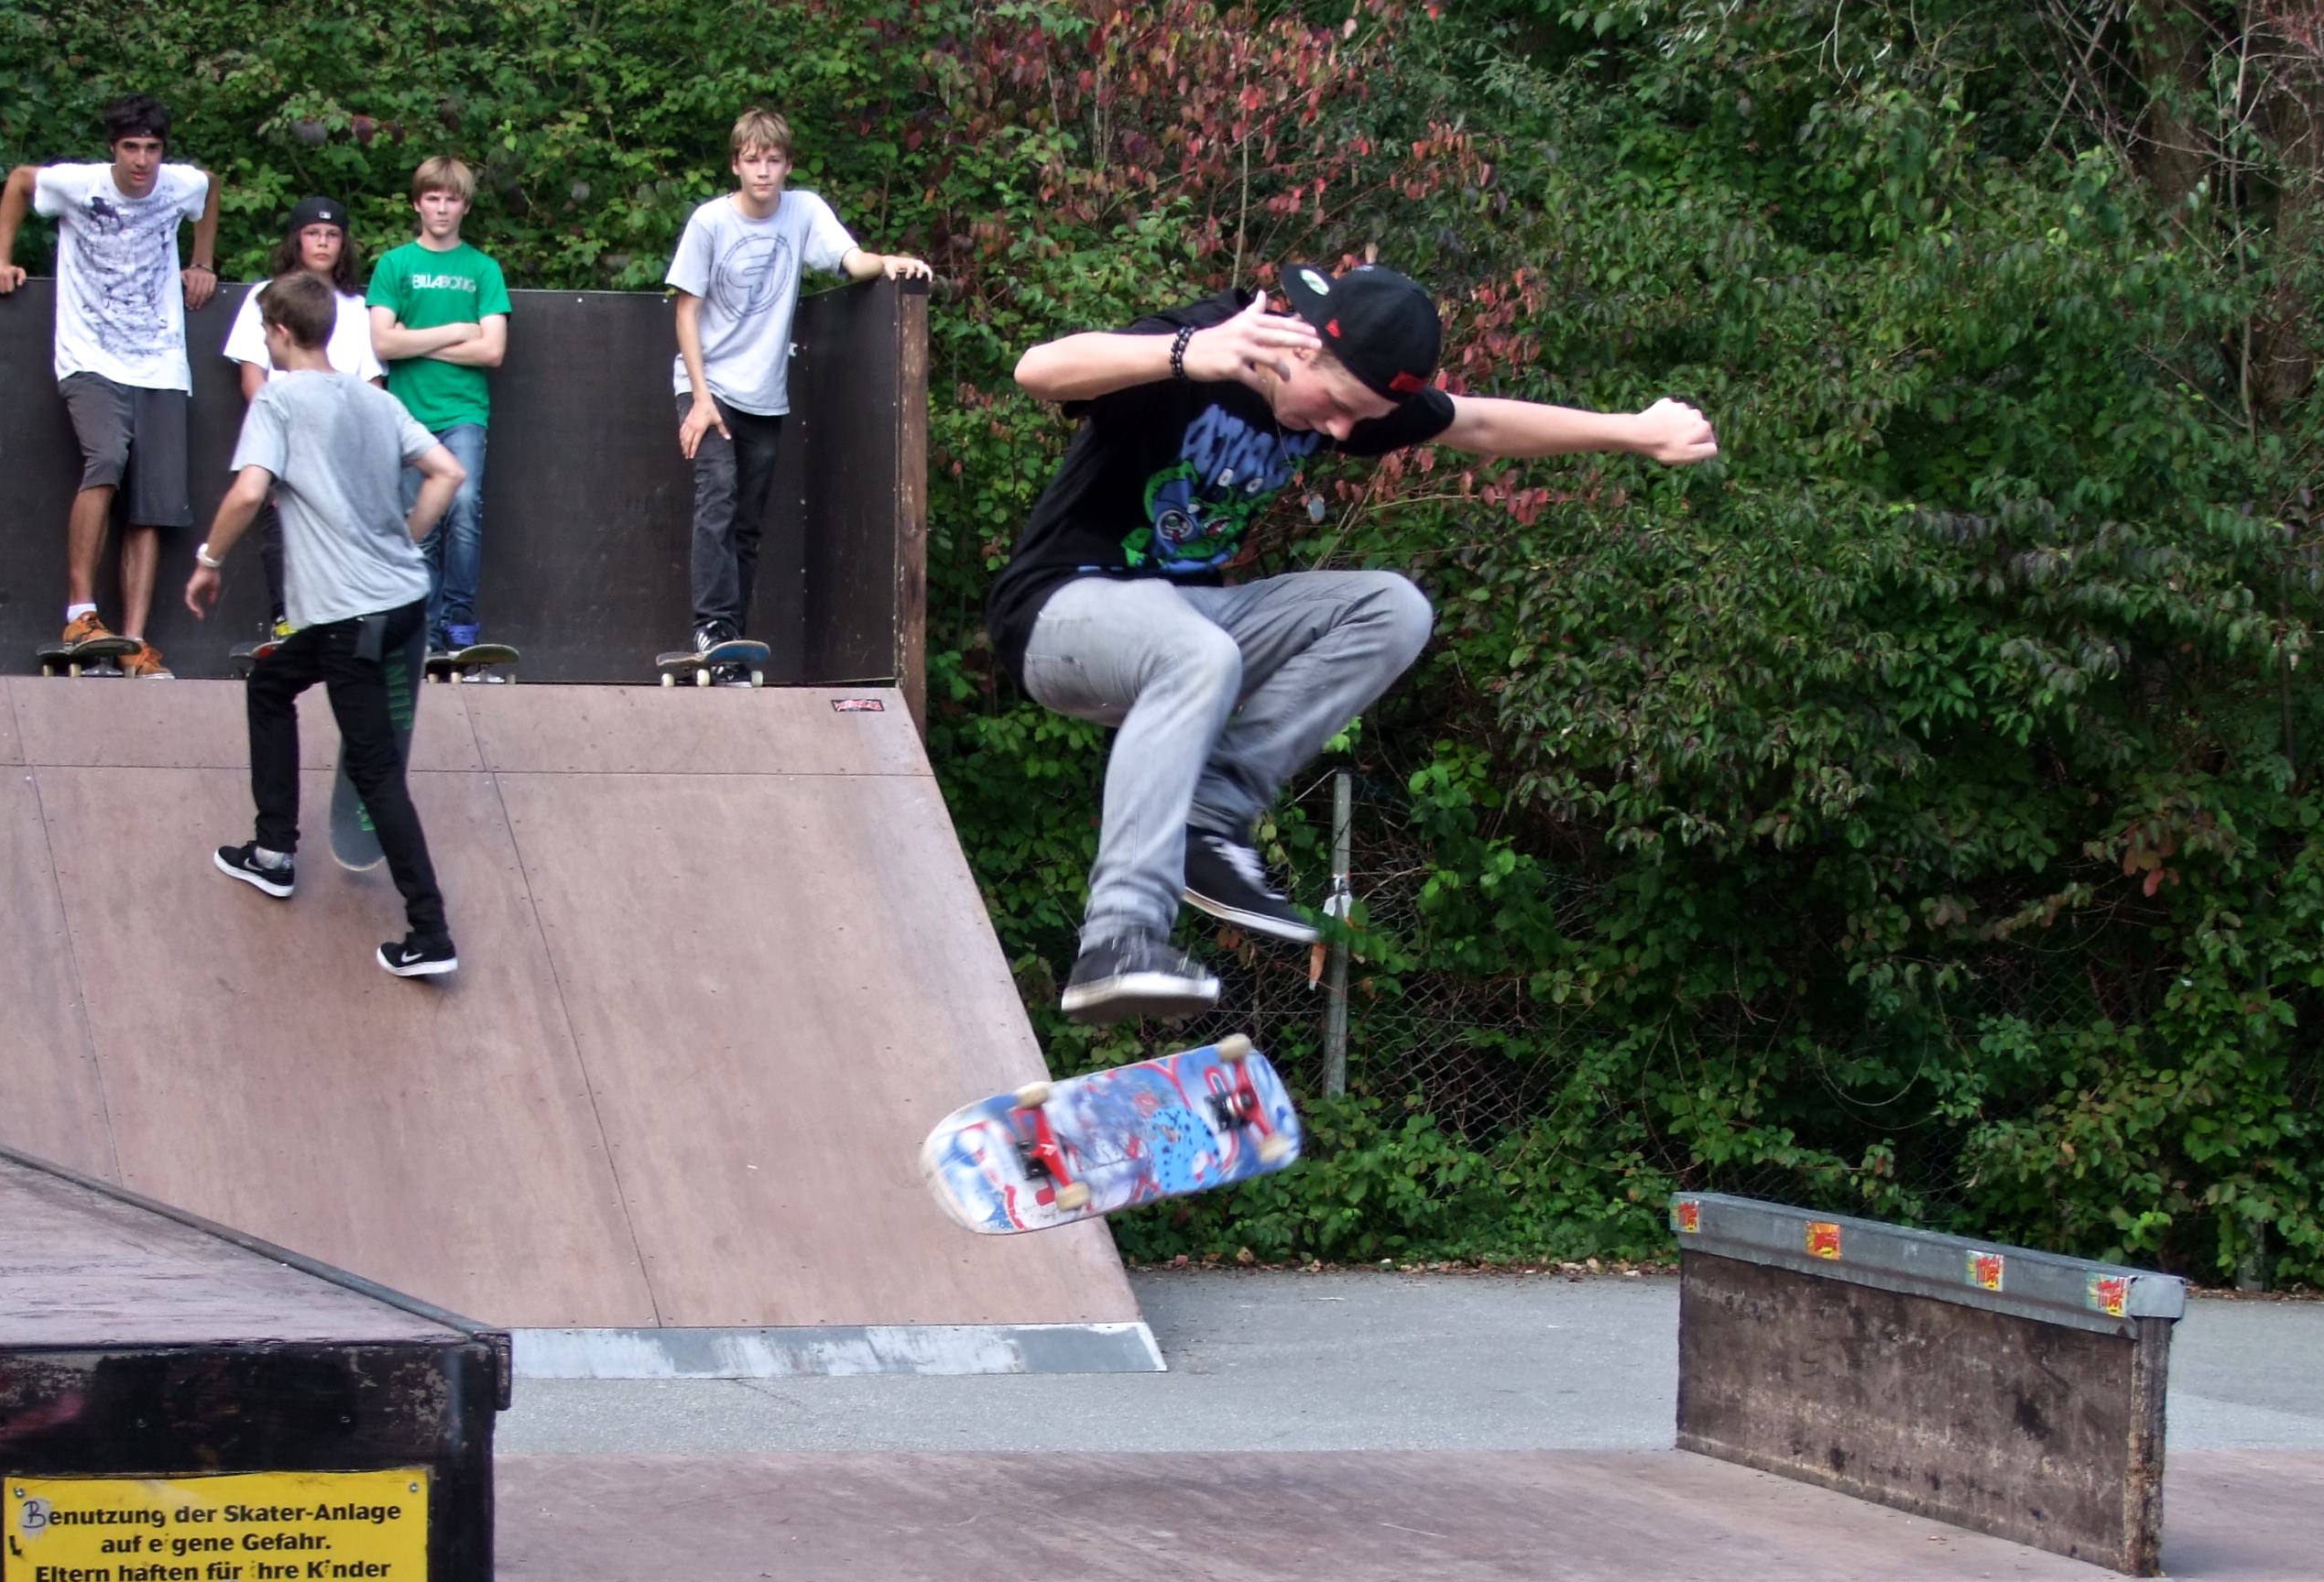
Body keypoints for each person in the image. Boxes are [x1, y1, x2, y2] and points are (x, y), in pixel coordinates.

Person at [987, 263, 1718, 1022]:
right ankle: (1118, 937)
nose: (1340, 432)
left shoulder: (1351, 399)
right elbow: (1037, 370)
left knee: (1393, 609)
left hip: (1184, 619)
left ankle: (1209, 815)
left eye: (1357, 420)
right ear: (1301, 348)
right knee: (1199, 651)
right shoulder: (1215, 340)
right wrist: (1183, 353)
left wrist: (1633, 431)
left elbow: (1475, 424)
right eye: (1335, 407)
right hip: (1057, 612)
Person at [191, 272, 469, 979]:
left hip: (352, 618)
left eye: (266, 332)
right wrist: (404, 540)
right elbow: (446, 472)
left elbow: (249, 491)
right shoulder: (376, 400)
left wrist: (208, 560)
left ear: (280, 333)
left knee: (375, 774)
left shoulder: (278, 399)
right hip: (401, 605)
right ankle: (272, 851)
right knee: (270, 683)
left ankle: (430, 932)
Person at [667, 108, 931, 658]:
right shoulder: (710, 222)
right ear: (736, 165)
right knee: (718, 499)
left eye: (773, 160)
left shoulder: (804, 210)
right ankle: (710, 626)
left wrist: (890, 263)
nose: (763, 171)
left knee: (747, 523)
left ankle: (729, 643)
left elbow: (851, 260)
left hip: (764, 396)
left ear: (788, 165)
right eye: (752, 160)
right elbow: (686, 311)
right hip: (708, 387)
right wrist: (699, 398)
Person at [0, 93, 220, 674]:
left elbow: (210, 187)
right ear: (113, 148)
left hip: (161, 360)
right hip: (88, 355)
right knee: (107, 457)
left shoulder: (179, 185)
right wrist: (0, 257)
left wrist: (202, 261)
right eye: (131, 147)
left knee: (151, 503)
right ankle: (81, 613)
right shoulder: (79, 184)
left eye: (152, 149)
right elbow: (20, 181)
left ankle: (133, 644)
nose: (142, 160)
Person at [366, 158, 508, 654]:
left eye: (452, 198)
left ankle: (459, 620)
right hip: (408, 414)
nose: (442, 208)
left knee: (464, 507)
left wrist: (416, 341)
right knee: (418, 521)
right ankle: (420, 627)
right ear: (417, 203)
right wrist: (456, 331)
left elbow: (492, 351)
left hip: (464, 412)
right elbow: (383, 343)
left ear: (465, 206)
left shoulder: (483, 269)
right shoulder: (394, 265)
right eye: (433, 198)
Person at [223, 194, 383, 630]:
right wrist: (275, 430)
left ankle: (337, 621)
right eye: (313, 233)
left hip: (341, 437)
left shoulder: (358, 308)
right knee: (280, 516)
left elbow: (371, 383)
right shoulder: (264, 296)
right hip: (284, 431)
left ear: (344, 244)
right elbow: (252, 375)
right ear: (296, 240)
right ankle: (285, 620)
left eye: (332, 234)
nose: (323, 242)